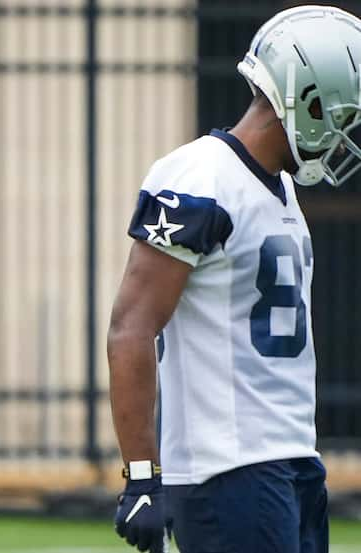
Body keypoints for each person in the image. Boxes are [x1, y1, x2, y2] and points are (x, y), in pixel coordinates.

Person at [107, 6, 361, 553]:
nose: (344, 134)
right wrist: (142, 475)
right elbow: (131, 328)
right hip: (228, 469)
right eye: (341, 115)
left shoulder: (283, 188)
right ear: (310, 103)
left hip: (292, 459)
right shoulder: (199, 176)